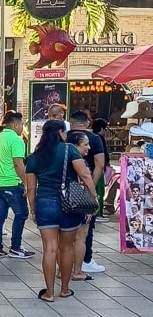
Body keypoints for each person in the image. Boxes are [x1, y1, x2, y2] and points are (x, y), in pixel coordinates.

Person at [26, 121, 96, 301]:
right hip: (69, 205)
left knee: (49, 249)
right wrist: (93, 199)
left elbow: (31, 189)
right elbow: (85, 175)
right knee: (66, 248)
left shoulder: (34, 156)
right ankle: (64, 289)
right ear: (60, 133)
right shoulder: (69, 150)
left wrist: (34, 209)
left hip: (45, 203)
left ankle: (49, 293)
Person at [0, 112, 34, 258]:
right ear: (15, 124)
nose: (23, 128)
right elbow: (18, 164)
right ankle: (16, 247)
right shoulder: (16, 140)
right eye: (22, 124)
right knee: (21, 214)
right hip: (12, 184)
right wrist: (26, 183)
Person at [67, 111, 106, 276]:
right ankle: (86, 260)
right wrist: (92, 187)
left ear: (71, 122)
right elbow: (100, 165)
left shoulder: (64, 137)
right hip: (85, 187)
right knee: (86, 228)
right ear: (87, 122)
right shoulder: (95, 139)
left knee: (67, 229)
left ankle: (65, 266)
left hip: (66, 188)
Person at [92, 117, 111, 219]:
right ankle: (98, 213)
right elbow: (104, 154)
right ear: (102, 129)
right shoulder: (99, 139)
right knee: (99, 191)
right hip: (99, 168)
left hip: (92, 168)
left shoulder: (91, 137)